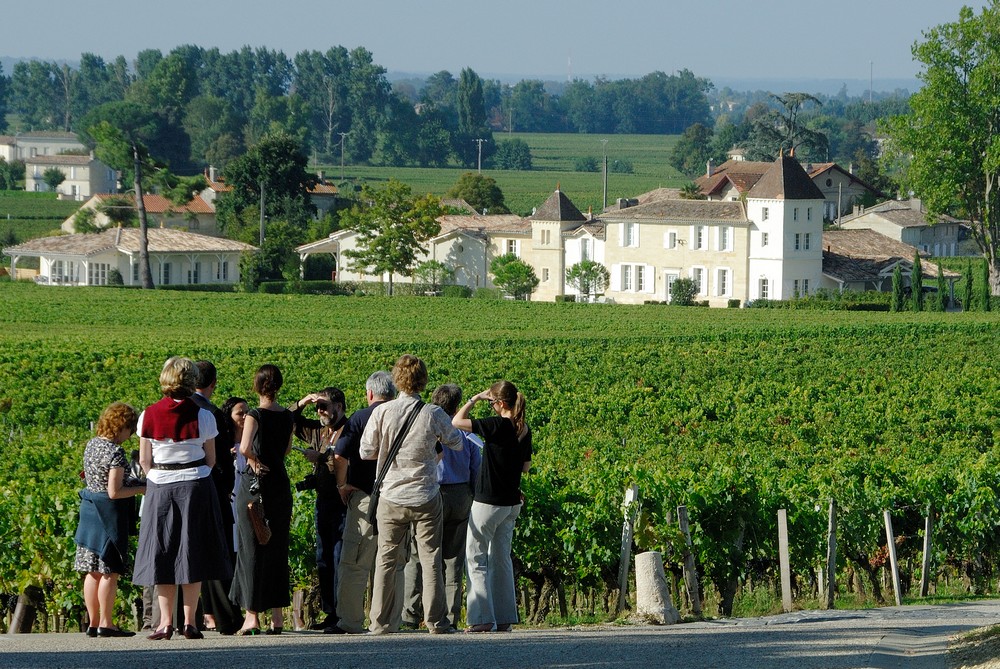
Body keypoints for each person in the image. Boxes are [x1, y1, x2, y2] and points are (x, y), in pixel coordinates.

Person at [360, 354, 462, 635]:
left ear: (397, 380)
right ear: (423, 380)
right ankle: (436, 621)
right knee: (431, 557)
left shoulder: (382, 412)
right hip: (426, 494)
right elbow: (455, 443)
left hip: (391, 495)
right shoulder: (433, 413)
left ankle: (379, 622)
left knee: (386, 558)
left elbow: (366, 451)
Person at [134, 356, 232, 641]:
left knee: (162, 552)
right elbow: (212, 459)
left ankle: (165, 623)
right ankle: (189, 622)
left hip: (160, 486)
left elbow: (144, 460)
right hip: (195, 485)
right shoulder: (204, 415)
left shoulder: (148, 414)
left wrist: (160, 476)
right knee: (193, 550)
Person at [452, 380, 532, 633]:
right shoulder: (523, 428)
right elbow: (526, 467)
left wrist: (475, 399)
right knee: (501, 559)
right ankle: (505, 616)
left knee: (475, 559)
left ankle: (482, 617)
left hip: (488, 501)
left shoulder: (496, 425)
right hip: (511, 503)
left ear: (497, 403)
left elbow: (457, 422)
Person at [401, 384, 482, 631]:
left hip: (432, 492)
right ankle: (448, 614)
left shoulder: (429, 429)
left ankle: (411, 613)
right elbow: (476, 471)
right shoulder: (467, 436)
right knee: (452, 559)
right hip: (460, 495)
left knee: (419, 554)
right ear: (457, 406)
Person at [324, 371, 395, 635]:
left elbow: (340, 455)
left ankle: (351, 621)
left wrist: (342, 485)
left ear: (369, 394)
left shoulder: (360, 418)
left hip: (366, 497)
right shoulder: (405, 416)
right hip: (398, 498)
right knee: (390, 564)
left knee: (355, 562)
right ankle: (386, 622)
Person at [229, 364, 295, 636]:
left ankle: (252, 616)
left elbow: (244, 448)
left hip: (255, 485)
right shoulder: (288, 416)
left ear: (256, 387)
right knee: (277, 547)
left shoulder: (254, 415)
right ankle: (278, 617)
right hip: (280, 482)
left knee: (251, 547)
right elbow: (287, 450)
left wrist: (255, 460)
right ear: (278, 386)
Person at [74, 402, 145, 638]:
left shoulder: (91, 445)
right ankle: (107, 622)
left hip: (89, 512)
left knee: (91, 571)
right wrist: (142, 489)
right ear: (121, 427)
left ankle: (93, 623)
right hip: (108, 515)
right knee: (108, 571)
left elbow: (95, 482)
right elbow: (115, 491)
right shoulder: (115, 452)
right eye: (129, 429)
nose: (130, 435)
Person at [289, 387, 348, 630]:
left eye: (325, 406)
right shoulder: (319, 431)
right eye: (318, 407)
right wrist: (302, 401)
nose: (320, 411)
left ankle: (342, 612)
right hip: (323, 499)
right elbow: (289, 421)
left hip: (343, 501)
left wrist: (321, 459)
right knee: (323, 556)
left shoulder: (350, 429)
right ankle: (329, 612)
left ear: (340, 407)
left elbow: (348, 459)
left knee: (339, 556)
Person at [192, 360, 241, 635]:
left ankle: (187, 616)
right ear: (213, 383)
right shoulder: (210, 412)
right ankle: (226, 616)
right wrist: (227, 486)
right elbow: (221, 458)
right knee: (218, 552)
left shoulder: (183, 408)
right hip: (211, 486)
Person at [221, 396, 249, 548]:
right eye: (240, 413)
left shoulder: (252, 442)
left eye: (247, 412)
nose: (245, 416)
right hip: (231, 498)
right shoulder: (224, 445)